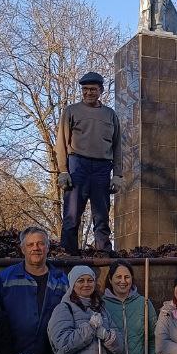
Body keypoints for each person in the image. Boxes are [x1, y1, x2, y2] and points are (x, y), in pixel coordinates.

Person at [0, 227, 69, 354]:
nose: (36, 248)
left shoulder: (61, 280)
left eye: (40, 244)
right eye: (30, 245)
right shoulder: (5, 278)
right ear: (22, 249)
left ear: (47, 247)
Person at [56, 72, 121, 253]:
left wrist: (117, 175)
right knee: (72, 214)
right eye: (85, 89)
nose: (88, 93)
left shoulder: (110, 114)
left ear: (100, 90)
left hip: (102, 167)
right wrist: (63, 170)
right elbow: (61, 141)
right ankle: (68, 254)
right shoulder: (71, 111)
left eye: (93, 89)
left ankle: (103, 252)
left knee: (101, 214)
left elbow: (117, 146)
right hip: (77, 165)